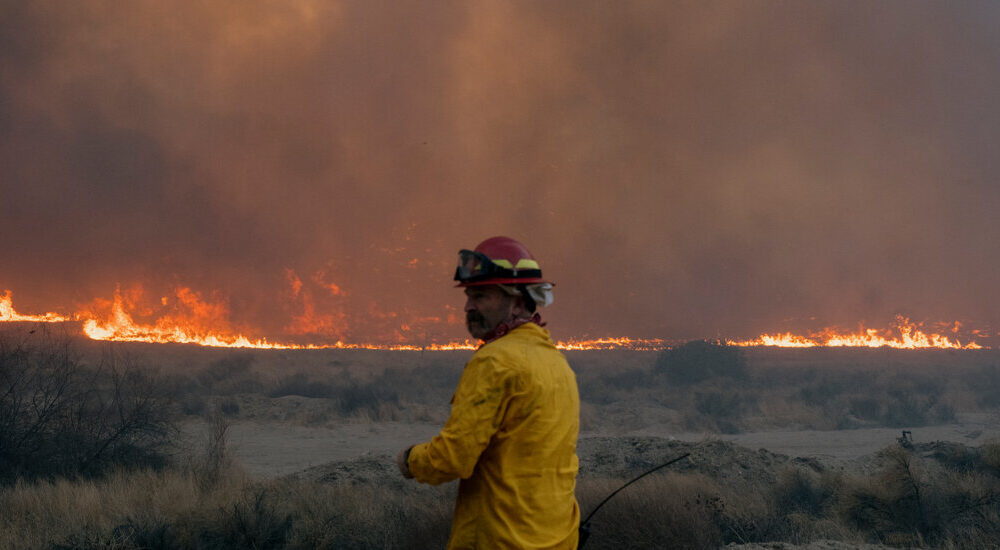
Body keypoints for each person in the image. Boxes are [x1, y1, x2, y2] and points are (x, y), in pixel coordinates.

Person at [397, 236, 581, 549]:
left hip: (500, 540)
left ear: (519, 301)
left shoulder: (494, 361)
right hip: (558, 539)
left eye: (481, 296)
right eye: (469, 296)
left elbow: (453, 458)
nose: (468, 306)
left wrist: (410, 460)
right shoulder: (555, 361)